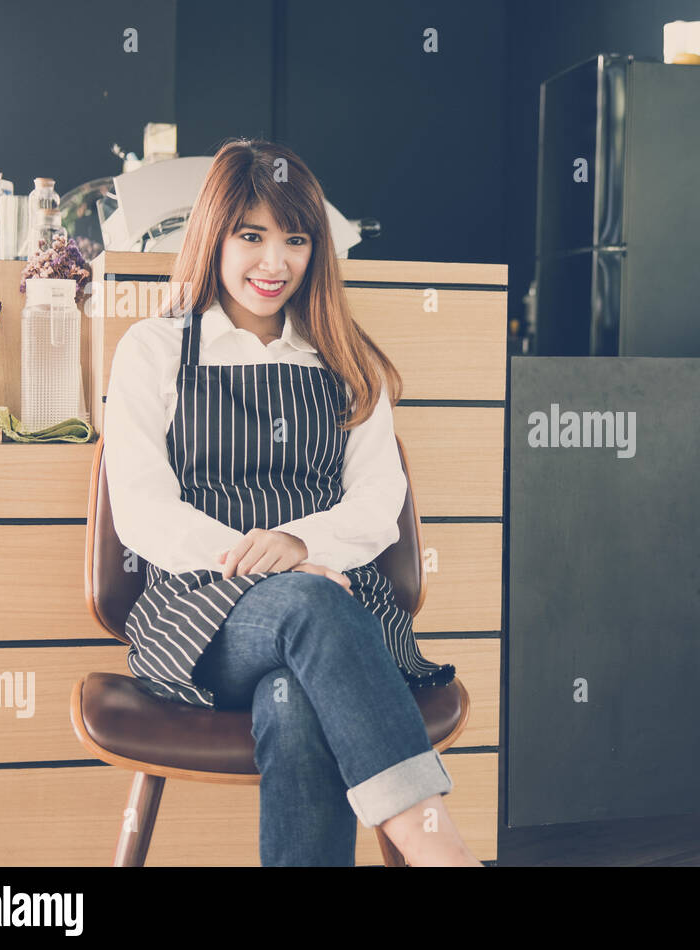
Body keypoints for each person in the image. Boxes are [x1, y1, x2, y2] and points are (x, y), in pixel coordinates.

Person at [102, 137, 481, 867]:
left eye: (295, 240)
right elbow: (144, 511)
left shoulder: (348, 362)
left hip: (338, 603)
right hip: (199, 612)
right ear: (214, 233)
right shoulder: (152, 351)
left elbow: (379, 503)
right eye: (251, 237)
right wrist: (269, 569)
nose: (273, 264)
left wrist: (304, 547)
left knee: (295, 700)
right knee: (309, 607)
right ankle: (446, 856)